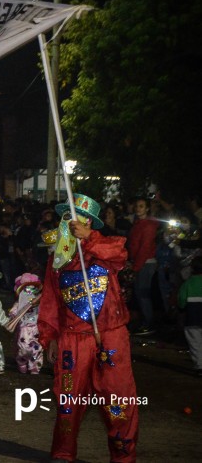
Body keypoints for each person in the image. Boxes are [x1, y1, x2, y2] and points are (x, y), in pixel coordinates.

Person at [38, 193, 138, 463]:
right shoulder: (57, 260)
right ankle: (63, 453)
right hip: (73, 339)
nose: (71, 224)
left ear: (90, 223)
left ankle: (123, 457)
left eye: (79, 220)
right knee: (68, 400)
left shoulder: (106, 247)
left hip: (110, 336)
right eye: (67, 219)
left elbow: (120, 255)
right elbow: (49, 301)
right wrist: (50, 337)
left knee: (118, 401)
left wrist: (89, 240)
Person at [127, 197, 160, 335]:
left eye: (141, 206)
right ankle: (147, 321)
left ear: (146, 208)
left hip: (145, 262)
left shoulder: (148, 225)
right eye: (137, 206)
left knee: (143, 294)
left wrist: (136, 267)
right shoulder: (139, 223)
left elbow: (145, 248)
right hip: (140, 262)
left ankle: (149, 323)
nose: (138, 208)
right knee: (141, 294)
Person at [8, 272, 43, 374]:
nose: (31, 291)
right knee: (24, 347)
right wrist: (13, 314)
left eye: (34, 288)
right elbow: (14, 311)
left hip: (36, 326)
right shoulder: (21, 300)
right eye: (27, 288)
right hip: (24, 327)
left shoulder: (39, 299)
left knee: (37, 348)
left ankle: (35, 367)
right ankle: (22, 360)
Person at [178, 255, 202, 377]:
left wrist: (181, 312)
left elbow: (181, 301)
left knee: (195, 342)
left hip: (192, 317)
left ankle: (199, 366)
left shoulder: (187, 284)